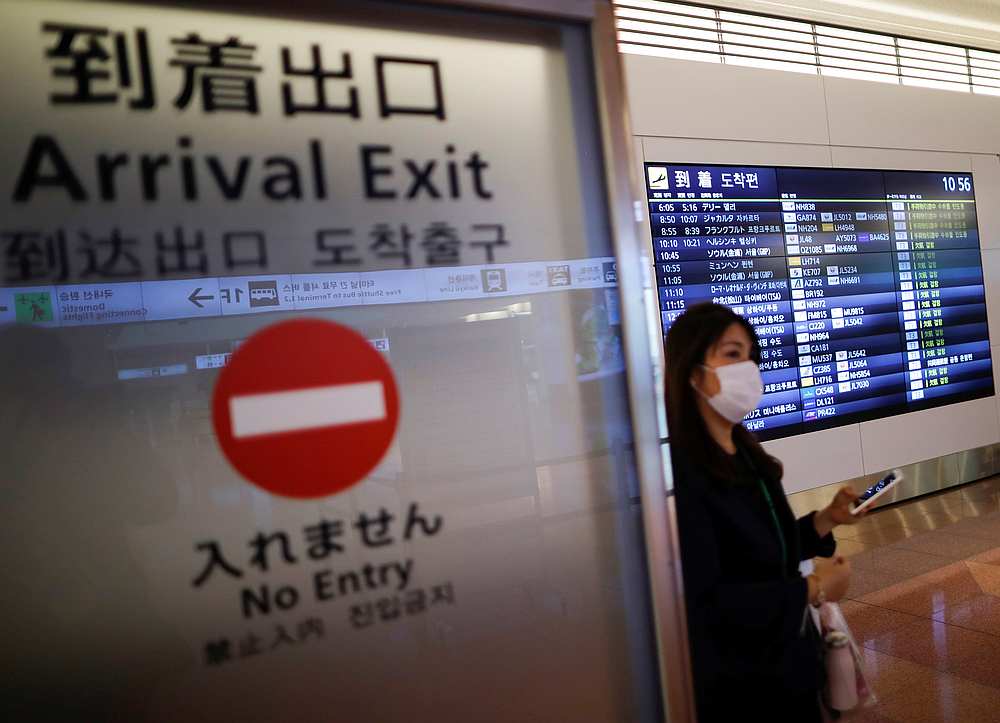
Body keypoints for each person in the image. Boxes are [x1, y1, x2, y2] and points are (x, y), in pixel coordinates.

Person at [664, 303, 864, 722]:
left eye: (751, 355)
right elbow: (709, 604)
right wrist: (811, 589)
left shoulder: (746, 454)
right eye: (732, 354)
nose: (749, 368)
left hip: (788, 663)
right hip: (743, 686)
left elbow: (766, 546)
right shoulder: (683, 476)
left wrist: (826, 518)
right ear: (692, 372)